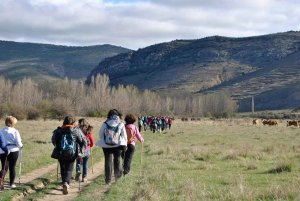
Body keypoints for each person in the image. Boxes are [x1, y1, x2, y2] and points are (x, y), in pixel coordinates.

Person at [51, 116, 86, 195]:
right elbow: (83, 141)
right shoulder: (76, 130)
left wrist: (58, 146)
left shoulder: (59, 130)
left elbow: (53, 140)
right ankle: (66, 183)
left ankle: (64, 183)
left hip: (60, 152)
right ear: (73, 122)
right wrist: (81, 150)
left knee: (63, 167)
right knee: (69, 168)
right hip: (72, 153)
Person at [97, 109, 127, 185]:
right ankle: (117, 178)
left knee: (108, 161)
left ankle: (108, 181)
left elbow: (100, 134)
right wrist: (125, 144)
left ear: (109, 115)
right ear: (118, 115)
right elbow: (124, 136)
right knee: (117, 160)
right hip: (118, 145)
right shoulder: (121, 123)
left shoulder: (105, 123)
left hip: (106, 145)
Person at [0, 116, 23, 189]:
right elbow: (18, 142)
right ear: (12, 123)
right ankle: (11, 183)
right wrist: (21, 146)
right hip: (13, 150)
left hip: (3, 151)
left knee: (4, 167)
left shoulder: (1, 130)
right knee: (12, 167)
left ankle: (1, 183)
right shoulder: (15, 131)